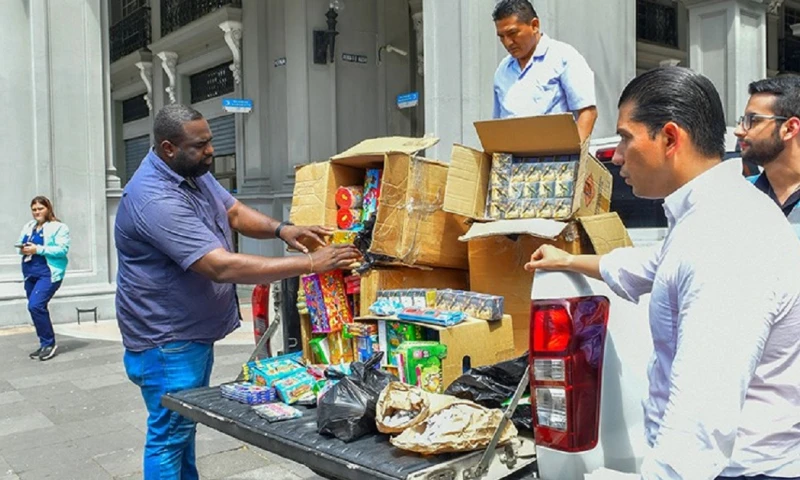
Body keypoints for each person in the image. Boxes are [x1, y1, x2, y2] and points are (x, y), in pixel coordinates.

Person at [525, 67, 800, 479]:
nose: (617, 156)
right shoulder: (707, 216)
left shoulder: (725, 235)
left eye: (625, 138)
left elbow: (698, 430)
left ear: (670, 138)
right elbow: (648, 266)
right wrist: (566, 261)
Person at [116, 104, 361, 479]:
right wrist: (311, 263)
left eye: (210, 140)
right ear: (168, 148)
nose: (211, 150)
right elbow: (220, 266)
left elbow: (231, 211)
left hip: (189, 333)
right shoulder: (154, 199)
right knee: (170, 436)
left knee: (182, 429)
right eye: (200, 145)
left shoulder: (190, 171)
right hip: (167, 340)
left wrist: (282, 229)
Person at [492, 0, 598, 141]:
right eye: (501, 37)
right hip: (513, 153)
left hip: (556, 153)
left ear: (534, 25)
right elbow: (498, 124)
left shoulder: (564, 57)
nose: (507, 43)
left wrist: (575, 152)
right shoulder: (503, 70)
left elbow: (588, 112)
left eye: (512, 33)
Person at [734, 76, 800, 237]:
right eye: (743, 120)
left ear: (790, 128)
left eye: (753, 120)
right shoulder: (737, 195)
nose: (739, 131)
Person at [17, 196, 70, 362]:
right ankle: (43, 344)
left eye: (40, 209)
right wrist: (22, 249)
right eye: (34, 209)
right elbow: (20, 243)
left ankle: (49, 343)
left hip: (48, 273)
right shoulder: (29, 226)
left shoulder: (59, 227)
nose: (37, 212)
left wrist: (37, 249)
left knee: (35, 305)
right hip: (30, 273)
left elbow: (62, 250)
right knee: (36, 308)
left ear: (48, 209)